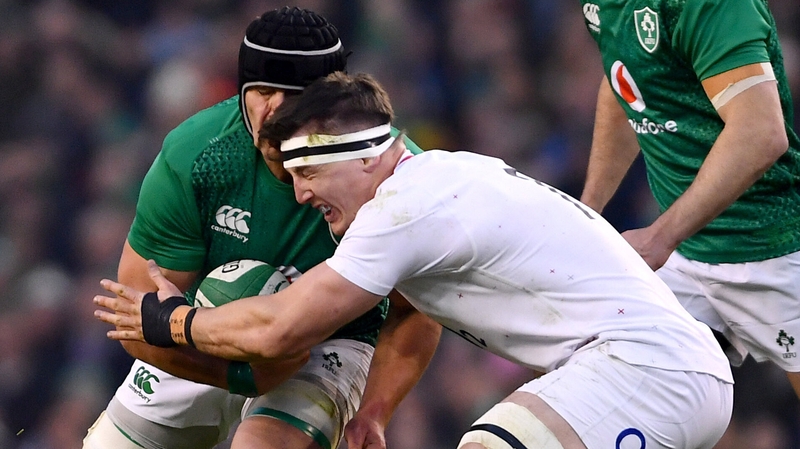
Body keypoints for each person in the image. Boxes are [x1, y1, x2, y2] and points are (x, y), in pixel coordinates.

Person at [95, 72, 735, 449]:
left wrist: (173, 321)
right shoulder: (443, 180)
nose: (300, 192)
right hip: (656, 372)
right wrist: (373, 409)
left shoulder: (404, 208)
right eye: (289, 174)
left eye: (310, 168)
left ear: (368, 155)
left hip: (650, 371)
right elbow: (412, 316)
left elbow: (281, 327)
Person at [82, 7, 424, 449]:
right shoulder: (195, 155)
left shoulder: (391, 174)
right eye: (261, 91)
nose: (272, 112)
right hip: (200, 333)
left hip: (329, 342)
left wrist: (375, 413)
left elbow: (415, 308)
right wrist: (237, 374)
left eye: (294, 96)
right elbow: (136, 316)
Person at [577, 0, 800, 396]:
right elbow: (626, 83)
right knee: (608, 386)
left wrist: (661, 237)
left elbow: (761, 131)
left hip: (773, 245)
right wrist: (588, 210)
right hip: (685, 258)